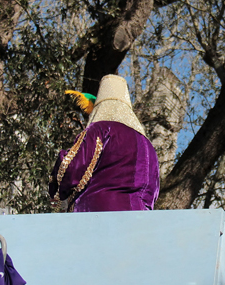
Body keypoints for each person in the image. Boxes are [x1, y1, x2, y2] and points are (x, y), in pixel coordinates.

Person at [49, 74, 160, 212]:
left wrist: (55, 189)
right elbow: (153, 192)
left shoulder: (101, 129)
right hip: (140, 220)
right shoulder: (149, 147)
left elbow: (70, 167)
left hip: (99, 215)